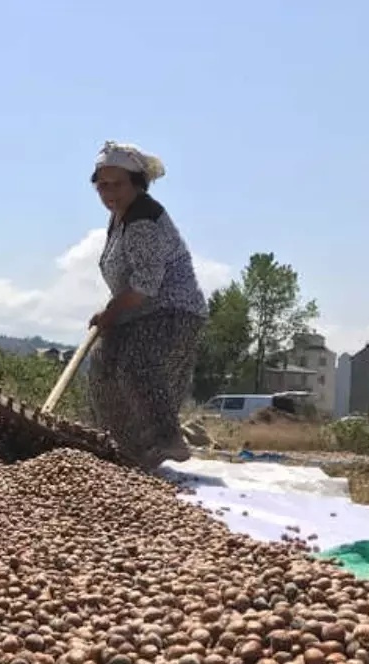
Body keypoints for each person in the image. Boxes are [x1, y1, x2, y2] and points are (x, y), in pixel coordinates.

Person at [86, 140, 208, 471]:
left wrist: (111, 312)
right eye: (103, 185)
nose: (110, 192)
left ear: (137, 184)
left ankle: (166, 438)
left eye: (118, 184)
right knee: (101, 368)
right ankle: (123, 448)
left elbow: (145, 285)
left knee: (135, 363)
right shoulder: (119, 218)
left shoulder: (142, 218)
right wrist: (111, 312)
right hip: (137, 312)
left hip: (171, 310)